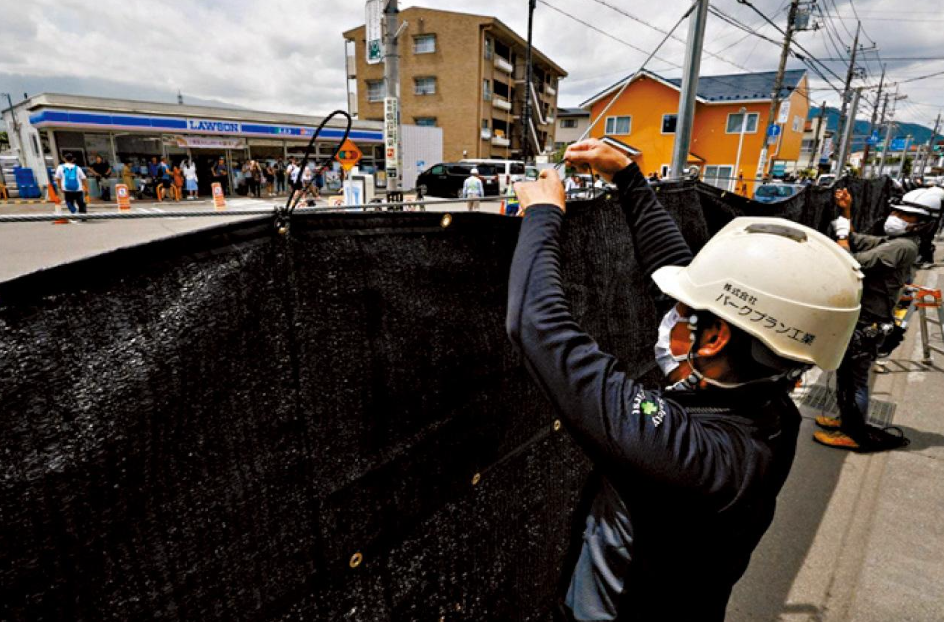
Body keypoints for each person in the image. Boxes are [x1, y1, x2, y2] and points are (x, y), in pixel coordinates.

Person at [506, 138, 863, 621]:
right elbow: (675, 276)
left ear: (713, 339)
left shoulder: (686, 455)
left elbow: (538, 326)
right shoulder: (770, 410)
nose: (665, 314)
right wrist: (627, 178)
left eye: (679, 310)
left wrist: (543, 216)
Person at [814, 187, 941, 451]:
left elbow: (852, 263)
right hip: (863, 320)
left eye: (905, 215)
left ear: (923, 224)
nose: (895, 216)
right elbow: (858, 239)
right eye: (896, 211)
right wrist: (846, 212)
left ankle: (854, 433)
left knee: (856, 380)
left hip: (868, 323)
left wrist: (841, 237)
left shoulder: (903, 247)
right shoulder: (894, 242)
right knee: (846, 376)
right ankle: (844, 420)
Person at [54, 152, 89, 221]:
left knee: (69, 202)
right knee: (81, 203)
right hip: (78, 189)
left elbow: (57, 178)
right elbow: (83, 178)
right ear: (72, 159)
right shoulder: (77, 168)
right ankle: (83, 217)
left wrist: (59, 187)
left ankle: (74, 212)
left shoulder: (60, 167)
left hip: (67, 189)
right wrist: (86, 187)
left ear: (64, 159)